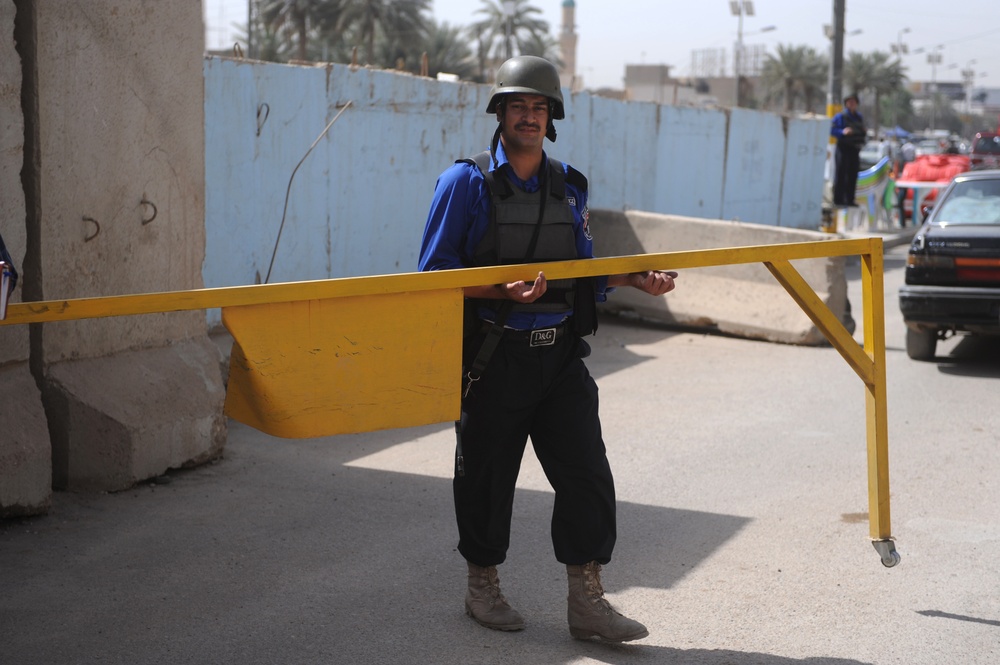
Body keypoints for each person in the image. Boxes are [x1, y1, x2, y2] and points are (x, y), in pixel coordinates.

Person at [418, 55, 676, 643]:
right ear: (501, 114)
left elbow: (582, 271)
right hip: (493, 357)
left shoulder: (571, 185)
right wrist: (498, 287)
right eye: (518, 106)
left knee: (586, 474)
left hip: (559, 356)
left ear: (551, 116)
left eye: (539, 107)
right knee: (487, 478)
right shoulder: (465, 184)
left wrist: (634, 280)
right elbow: (431, 275)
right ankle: (482, 586)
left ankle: (587, 602)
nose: (529, 116)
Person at [830, 93, 867, 207]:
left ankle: (850, 199)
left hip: (854, 148)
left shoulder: (858, 117)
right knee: (841, 173)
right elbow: (831, 130)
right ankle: (838, 199)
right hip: (843, 148)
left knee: (852, 174)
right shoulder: (840, 116)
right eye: (849, 102)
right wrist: (842, 132)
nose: (851, 104)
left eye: (853, 102)